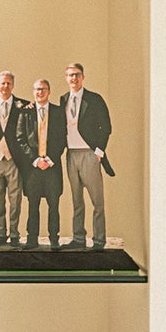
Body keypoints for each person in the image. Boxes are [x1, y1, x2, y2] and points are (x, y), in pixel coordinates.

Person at [62, 62, 114, 249]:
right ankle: (78, 239)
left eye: (77, 74)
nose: (74, 78)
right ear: (66, 78)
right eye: (70, 75)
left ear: (82, 77)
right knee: (77, 200)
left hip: (89, 154)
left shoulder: (94, 99)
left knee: (97, 201)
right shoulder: (63, 99)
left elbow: (106, 126)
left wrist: (99, 152)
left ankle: (99, 240)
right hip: (71, 154)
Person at [17, 77, 66, 249]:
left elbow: (62, 138)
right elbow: (20, 138)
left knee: (54, 205)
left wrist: (50, 158)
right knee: (33, 204)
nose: (40, 92)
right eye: (37, 89)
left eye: (43, 89)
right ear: (33, 92)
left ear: (49, 91)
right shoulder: (26, 112)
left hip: (52, 166)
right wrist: (35, 159)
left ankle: (54, 239)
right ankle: (32, 239)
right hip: (33, 167)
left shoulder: (59, 112)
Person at [0, 71, 28, 247]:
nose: (5, 86)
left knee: (15, 199)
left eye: (8, 83)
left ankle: (14, 234)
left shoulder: (23, 105)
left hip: (14, 159)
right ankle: (0, 234)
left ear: (13, 85)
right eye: (2, 83)